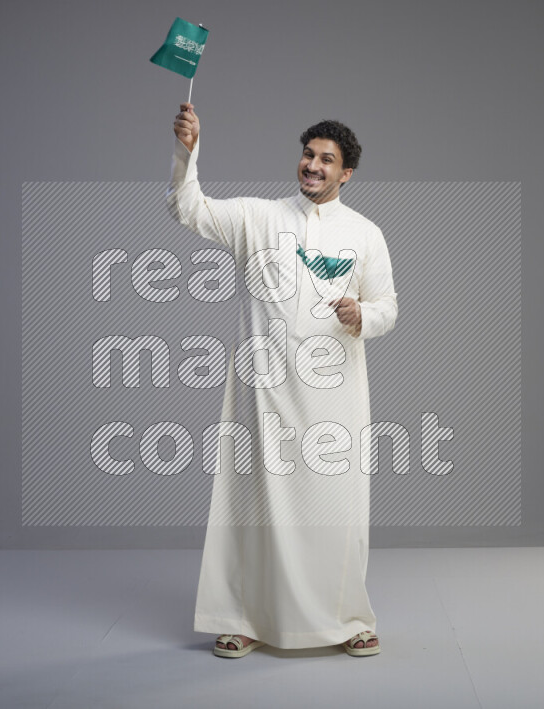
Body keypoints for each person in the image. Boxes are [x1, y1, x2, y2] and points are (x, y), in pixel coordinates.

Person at [167, 103, 397, 657]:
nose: (312, 166)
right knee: (253, 505)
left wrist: (362, 316)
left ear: (346, 174)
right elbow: (187, 207)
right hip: (262, 395)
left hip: (333, 399)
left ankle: (346, 618)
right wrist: (187, 150)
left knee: (335, 509)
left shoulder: (365, 234)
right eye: (307, 155)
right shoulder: (257, 217)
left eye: (326, 160)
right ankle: (243, 617)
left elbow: (389, 306)